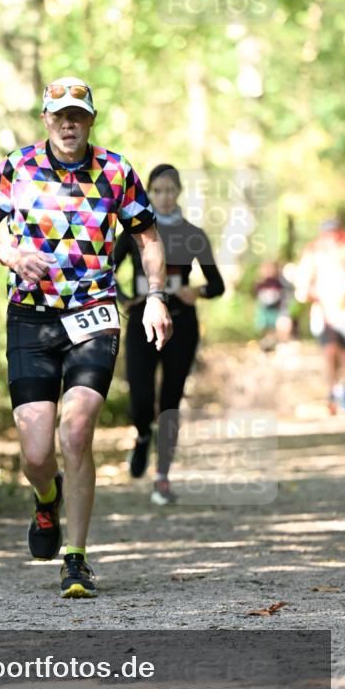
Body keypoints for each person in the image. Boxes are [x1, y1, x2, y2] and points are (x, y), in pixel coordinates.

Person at [0, 76, 172, 598]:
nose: (69, 124)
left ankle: (75, 559)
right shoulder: (17, 167)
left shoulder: (116, 171)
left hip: (94, 314)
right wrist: (9, 254)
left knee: (76, 430)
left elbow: (148, 237)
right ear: (46, 120)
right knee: (36, 454)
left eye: (78, 114)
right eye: (60, 115)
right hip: (30, 318)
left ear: (91, 120)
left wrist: (155, 296)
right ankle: (45, 498)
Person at [114, 164, 225, 504]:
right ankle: (142, 435)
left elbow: (217, 284)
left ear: (178, 193)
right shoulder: (134, 232)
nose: (164, 197)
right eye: (157, 191)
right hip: (142, 322)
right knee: (141, 398)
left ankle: (162, 477)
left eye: (170, 190)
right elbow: (106, 270)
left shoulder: (193, 234)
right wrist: (125, 298)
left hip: (181, 324)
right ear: (148, 193)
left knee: (170, 402)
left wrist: (197, 291)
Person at [294, 218, 345, 414]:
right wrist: (314, 293)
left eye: (334, 232)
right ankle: (332, 394)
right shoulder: (313, 252)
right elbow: (302, 288)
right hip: (324, 313)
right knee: (330, 352)